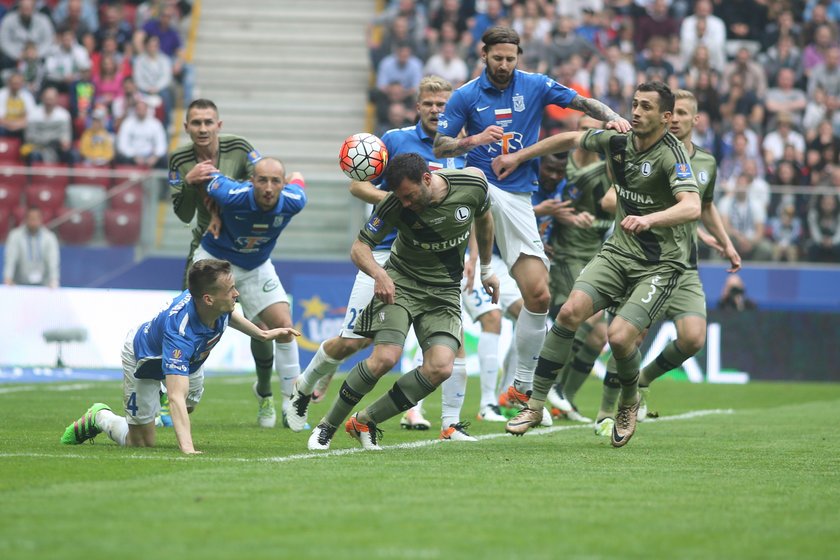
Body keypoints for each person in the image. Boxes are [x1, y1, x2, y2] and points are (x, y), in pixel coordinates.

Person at [491, 81, 700, 447]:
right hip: (618, 252)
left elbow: (692, 206)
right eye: (634, 104)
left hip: (659, 264)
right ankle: (535, 404)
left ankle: (629, 401)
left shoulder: (673, 156)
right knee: (570, 312)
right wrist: (519, 157)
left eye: (646, 107)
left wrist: (649, 220)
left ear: (666, 117)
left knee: (619, 338)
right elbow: (569, 140)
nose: (635, 112)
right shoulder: (617, 141)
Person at [433, 26, 630, 412]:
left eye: (510, 58)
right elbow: (441, 144)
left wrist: (614, 117)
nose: (504, 65)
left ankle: (522, 384)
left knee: (538, 297)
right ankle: (484, 265)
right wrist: (474, 140)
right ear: (483, 54)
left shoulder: (535, 85)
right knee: (474, 185)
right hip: (481, 183)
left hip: (519, 196)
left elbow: (581, 103)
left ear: (518, 56)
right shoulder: (466, 96)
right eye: (497, 58)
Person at [287, 76, 485, 439]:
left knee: (446, 353)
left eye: (444, 104)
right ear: (419, 106)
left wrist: (473, 255)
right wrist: (400, 207)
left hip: (441, 264)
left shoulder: (460, 149)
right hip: (386, 252)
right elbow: (357, 184)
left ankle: (449, 424)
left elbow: (469, 208)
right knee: (354, 342)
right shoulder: (394, 141)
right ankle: (304, 385)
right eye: (430, 103)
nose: (437, 110)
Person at [306, 153, 498, 451]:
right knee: (384, 358)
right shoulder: (395, 204)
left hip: (444, 291)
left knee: (440, 367)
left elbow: (485, 219)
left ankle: (364, 421)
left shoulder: (472, 184)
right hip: (401, 284)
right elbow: (359, 248)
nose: (405, 204)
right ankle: (327, 427)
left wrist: (486, 268)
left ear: (426, 178)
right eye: (401, 198)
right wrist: (379, 274)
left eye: (409, 196)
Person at [593, 89, 742, 434]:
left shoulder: (705, 162)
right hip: (645, 259)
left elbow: (703, 206)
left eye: (683, 115)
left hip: (684, 265)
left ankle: (642, 382)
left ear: (694, 120)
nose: (675, 120)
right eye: (672, 114)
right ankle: (605, 410)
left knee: (693, 339)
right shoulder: (647, 154)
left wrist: (725, 242)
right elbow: (614, 196)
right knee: (629, 335)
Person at [59, 259, 301, 454]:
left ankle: (160, 398)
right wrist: (187, 448)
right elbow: (175, 396)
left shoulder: (217, 304)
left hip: (190, 360)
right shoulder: (181, 333)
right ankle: (99, 417)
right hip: (145, 360)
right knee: (142, 441)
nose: (237, 294)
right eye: (231, 290)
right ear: (208, 299)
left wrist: (262, 334)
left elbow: (230, 315)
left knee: (187, 404)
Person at [168, 99, 275, 427]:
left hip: (244, 247)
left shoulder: (240, 149)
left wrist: (220, 205)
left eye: (207, 122)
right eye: (195, 123)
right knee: (184, 321)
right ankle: (172, 395)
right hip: (207, 247)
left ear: (219, 125)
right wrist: (189, 183)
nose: (202, 128)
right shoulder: (179, 160)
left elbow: (260, 191)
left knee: (264, 327)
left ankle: (265, 395)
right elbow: (183, 213)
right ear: (186, 127)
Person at [196, 158, 307, 428]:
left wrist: (295, 175)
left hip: (257, 266)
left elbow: (298, 178)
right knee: (196, 328)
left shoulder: (294, 200)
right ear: (251, 182)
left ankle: (290, 404)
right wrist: (213, 212)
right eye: (262, 180)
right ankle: (170, 395)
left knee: (283, 326)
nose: (269, 187)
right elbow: (209, 180)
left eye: (275, 181)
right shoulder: (233, 194)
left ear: (283, 185)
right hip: (217, 262)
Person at [540, 116, 614, 423]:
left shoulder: (607, 170)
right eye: (584, 130)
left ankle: (564, 400)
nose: (588, 136)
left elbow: (616, 208)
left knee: (600, 336)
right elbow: (545, 200)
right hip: (566, 254)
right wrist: (556, 223)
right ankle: (551, 385)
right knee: (586, 314)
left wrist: (599, 223)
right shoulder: (562, 165)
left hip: (596, 252)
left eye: (594, 131)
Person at [3, 207, 60, 288]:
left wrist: (54, 280)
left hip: (43, 284)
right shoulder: (15, 236)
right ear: (25, 219)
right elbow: (10, 260)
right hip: (20, 284)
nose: (33, 222)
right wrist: (8, 278)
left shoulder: (49, 237)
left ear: (41, 220)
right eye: (31, 219)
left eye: (36, 219)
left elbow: (53, 261)